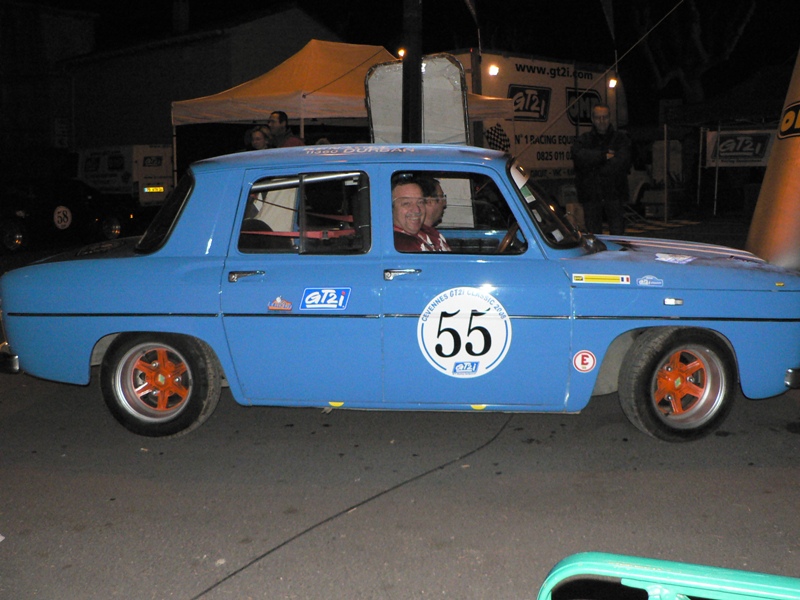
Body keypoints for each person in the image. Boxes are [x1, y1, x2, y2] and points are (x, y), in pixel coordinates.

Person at [571, 103, 631, 235]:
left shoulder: (621, 139)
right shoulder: (584, 139)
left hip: (615, 193)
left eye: (605, 117)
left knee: (617, 233)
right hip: (591, 194)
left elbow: (622, 162)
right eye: (598, 118)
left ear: (610, 118)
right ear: (592, 119)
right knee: (593, 235)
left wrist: (594, 164)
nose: (602, 121)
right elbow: (579, 157)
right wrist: (604, 156)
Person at [392, 175, 450, 252]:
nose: (416, 210)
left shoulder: (428, 232)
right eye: (406, 203)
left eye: (420, 202)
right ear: (391, 208)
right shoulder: (402, 245)